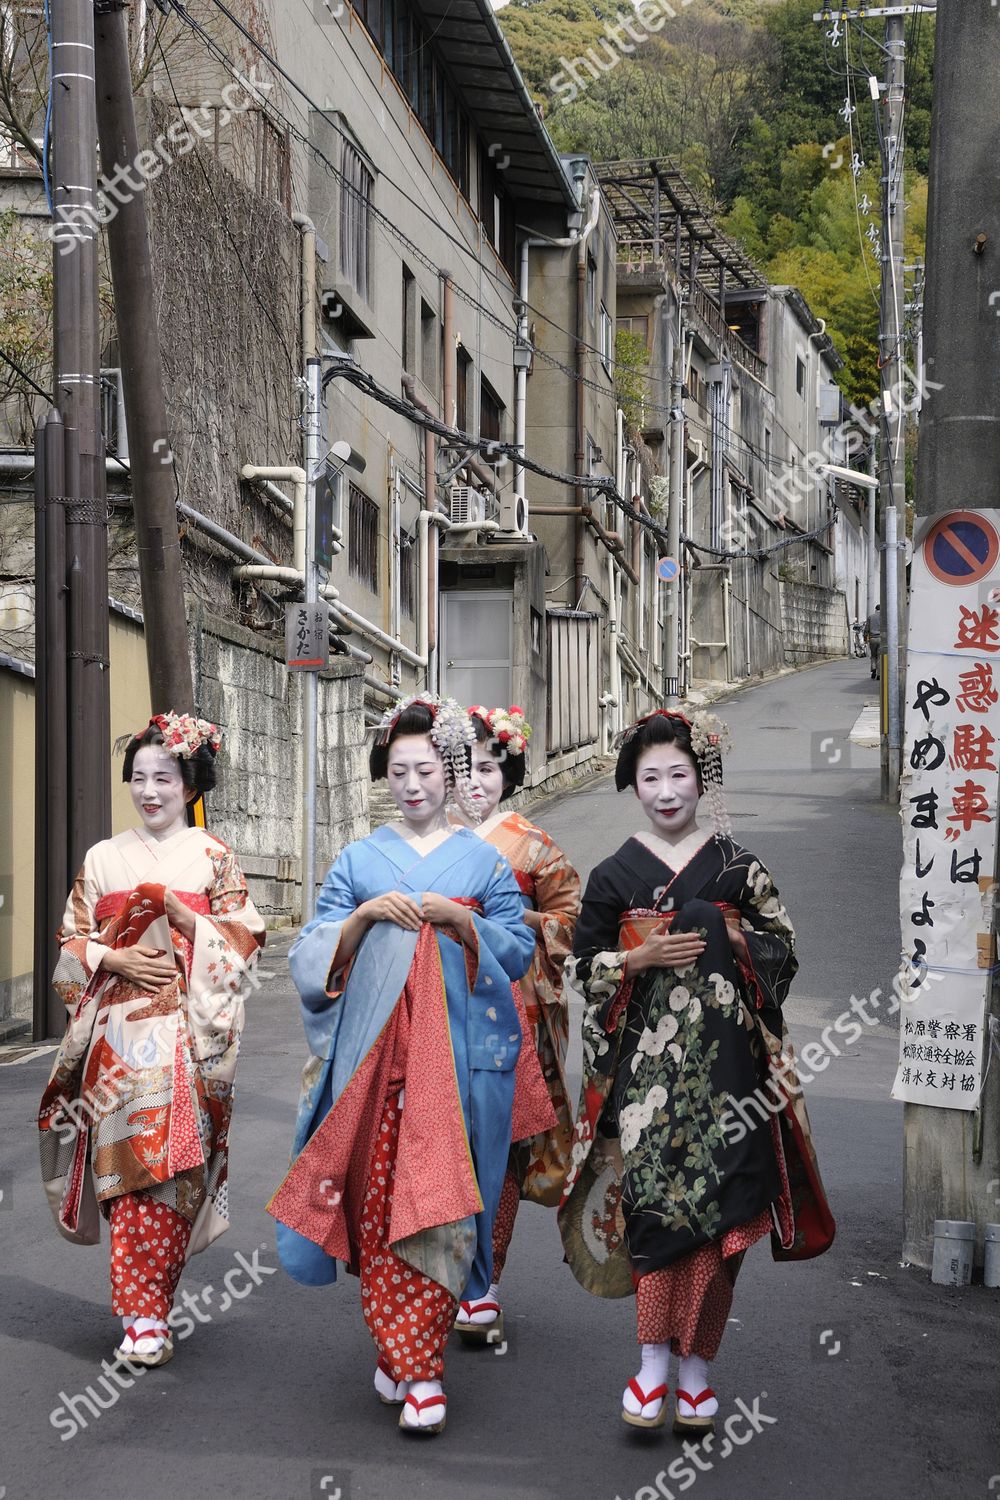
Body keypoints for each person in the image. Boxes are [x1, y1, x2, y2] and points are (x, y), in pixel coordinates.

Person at [268, 695, 547, 1436]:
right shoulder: (360, 859)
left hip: (456, 1066)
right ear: (383, 776)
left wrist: (463, 920)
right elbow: (311, 951)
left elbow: (517, 949)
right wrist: (360, 918)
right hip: (375, 1063)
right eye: (399, 770)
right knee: (379, 1204)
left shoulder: (484, 860)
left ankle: (419, 1367)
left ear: (450, 773)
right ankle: (406, 1357)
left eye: (427, 768)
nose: (414, 783)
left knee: (444, 1202)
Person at [558, 709, 834, 1437]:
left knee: (723, 1215)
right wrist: (636, 959)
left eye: (679, 773)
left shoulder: (739, 867)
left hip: (731, 1080)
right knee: (654, 1214)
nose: (665, 790)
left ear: (701, 777)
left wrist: (725, 931)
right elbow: (579, 968)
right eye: (649, 776)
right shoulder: (614, 874)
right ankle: (651, 1362)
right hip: (645, 1082)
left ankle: (698, 1367)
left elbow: (786, 948)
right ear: (631, 784)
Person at [38, 712, 265, 1367]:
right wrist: (113, 961)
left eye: (164, 777)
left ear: (189, 782)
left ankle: (152, 1308)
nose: (150, 790)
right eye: (139, 777)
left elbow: (246, 941)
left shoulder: (213, 855)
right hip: (116, 1037)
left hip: (190, 1035)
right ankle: (143, 1316)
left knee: (177, 1171)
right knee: (127, 1172)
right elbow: (69, 943)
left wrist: (179, 915)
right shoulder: (103, 858)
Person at [452, 705, 580, 1344]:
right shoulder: (424, 838)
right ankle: (437, 1273)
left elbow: (573, 918)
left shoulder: (532, 843)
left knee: (497, 1150)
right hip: (438, 1002)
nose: (475, 781)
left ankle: (484, 1278)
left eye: (488, 767)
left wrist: (522, 923)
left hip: (511, 1006)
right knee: (436, 1133)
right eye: (463, 768)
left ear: (510, 771)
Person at [864, 604, 881, 680]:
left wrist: (865, 638)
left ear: (875, 609)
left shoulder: (870, 617)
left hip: (872, 639)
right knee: (880, 656)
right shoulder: (884, 617)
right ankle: (879, 674)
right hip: (881, 639)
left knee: (873, 655)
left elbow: (866, 629)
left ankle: (873, 669)